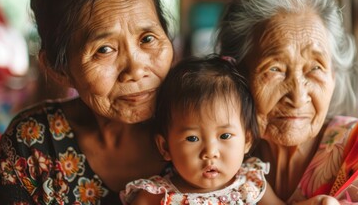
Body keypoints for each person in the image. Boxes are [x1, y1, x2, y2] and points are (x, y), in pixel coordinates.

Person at [215, 0, 358, 204]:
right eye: (275, 69)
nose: (298, 96)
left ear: (334, 74)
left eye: (315, 68)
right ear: (236, 74)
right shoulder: (214, 153)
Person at [0, 0, 174, 203]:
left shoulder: (214, 127)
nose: (135, 69)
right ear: (58, 69)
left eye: (148, 38)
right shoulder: (33, 142)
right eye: (104, 50)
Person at [120, 55, 285, 205]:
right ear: (165, 147)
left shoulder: (251, 185)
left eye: (225, 135)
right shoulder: (156, 196)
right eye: (192, 138)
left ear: (247, 140)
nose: (210, 152)